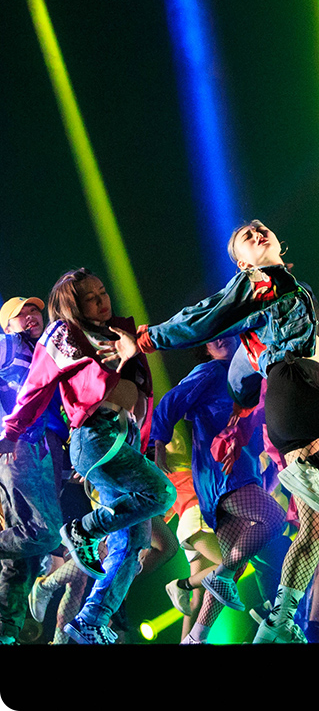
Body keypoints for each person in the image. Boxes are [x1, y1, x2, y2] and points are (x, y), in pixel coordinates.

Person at [99, 221, 319, 643]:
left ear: (279, 241)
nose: (255, 232)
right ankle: (220, 603)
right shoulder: (257, 282)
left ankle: (275, 624)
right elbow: (204, 317)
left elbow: (241, 373)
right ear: (242, 263)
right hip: (290, 404)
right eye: (245, 238)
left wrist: (242, 405)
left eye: (259, 228)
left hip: (305, 409)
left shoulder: (292, 292)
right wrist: (143, 341)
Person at [1, 269, 177, 644]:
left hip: (111, 444)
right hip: (87, 437)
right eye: (90, 298)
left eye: (102, 292)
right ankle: (82, 533)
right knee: (162, 494)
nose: (101, 300)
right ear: (73, 306)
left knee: (132, 543)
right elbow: (34, 390)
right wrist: (10, 433)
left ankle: (91, 620)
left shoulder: (117, 333)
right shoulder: (55, 336)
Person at [151, 335, 288, 644]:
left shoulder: (254, 377)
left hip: (244, 474)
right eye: (214, 337)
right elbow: (171, 401)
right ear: (205, 347)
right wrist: (159, 441)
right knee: (273, 519)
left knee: (235, 566)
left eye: (228, 332)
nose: (222, 338)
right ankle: (216, 576)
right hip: (220, 475)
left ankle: (195, 637)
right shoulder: (211, 372)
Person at [0, 296, 70, 644]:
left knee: (23, 559)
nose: (31, 316)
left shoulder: (45, 351)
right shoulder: (8, 345)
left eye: (34, 311)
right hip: (21, 446)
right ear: (7, 326)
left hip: (46, 448)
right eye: (21, 314)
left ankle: (6, 630)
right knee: (46, 533)